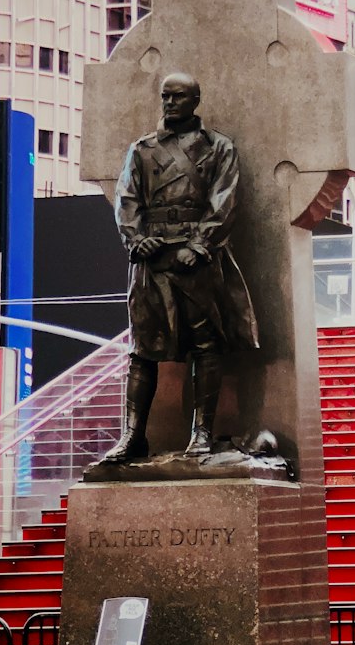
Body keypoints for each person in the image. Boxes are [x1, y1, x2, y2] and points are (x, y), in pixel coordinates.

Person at [101, 72, 259, 463]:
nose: (169, 103)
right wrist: (137, 241)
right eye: (165, 97)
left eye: (178, 97)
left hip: (195, 258)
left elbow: (225, 199)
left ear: (195, 100)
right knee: (142, 349)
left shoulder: (218, 147)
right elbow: (127, 199)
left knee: (206, 344)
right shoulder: (141, 150)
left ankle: (201, 433)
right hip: (151, 259)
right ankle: (132, 436)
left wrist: (201, 245)